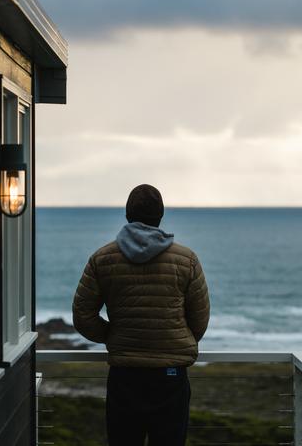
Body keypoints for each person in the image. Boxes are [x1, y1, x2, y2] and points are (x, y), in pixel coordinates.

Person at [72, 184, 210, 446]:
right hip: (170, 375)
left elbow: (82, 315)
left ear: (127, 216)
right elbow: (199, 318)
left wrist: (114, 336)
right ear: (160, 217)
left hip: (126, 375)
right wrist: (174, 339)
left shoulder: (102, 259)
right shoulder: (187, 259)